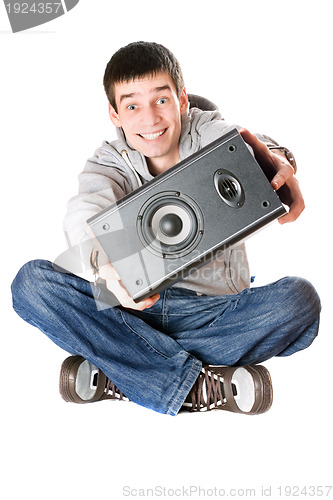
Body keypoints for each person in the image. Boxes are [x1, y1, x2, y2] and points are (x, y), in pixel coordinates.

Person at [11, 42, 320, 416]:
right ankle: (192, 383)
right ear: (115, 113)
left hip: (214, 310)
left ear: (182, 99)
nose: (150, 119)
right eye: (132, 105)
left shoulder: (206, 129)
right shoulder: (109, 163)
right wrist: (107, 270)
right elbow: (83, 213)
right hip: (133, 308)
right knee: (31, 284)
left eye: (161, 100)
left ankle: (122, 366)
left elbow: (241, 145)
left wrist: (279, 160)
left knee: (299, 301)